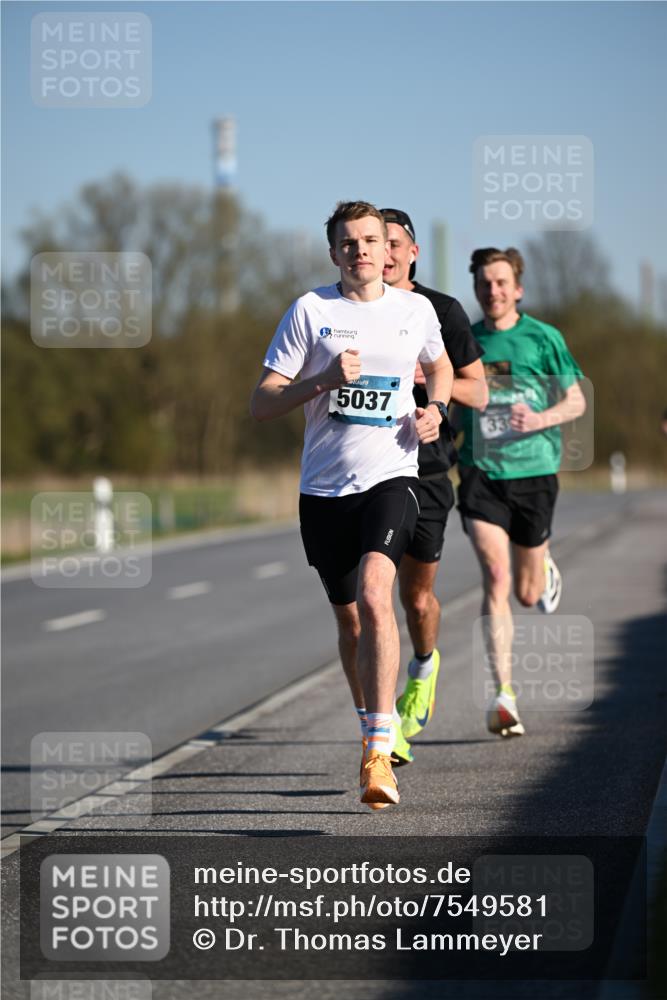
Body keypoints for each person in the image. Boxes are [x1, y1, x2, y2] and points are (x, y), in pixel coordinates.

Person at [250, 201, 453, 809]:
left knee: (375, 594)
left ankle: (377, 749)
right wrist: (323, 380)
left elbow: (438, 367)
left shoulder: (414, 311)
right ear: (334, 252)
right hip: (324, 492)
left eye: (371, 240)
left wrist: (436, 411)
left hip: (392, 477)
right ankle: (372, 720)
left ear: (387, 250)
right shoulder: (311, 311)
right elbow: (263, 404)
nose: (363, 250)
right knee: (350, 620)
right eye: (349, 242)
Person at [458, 247, 586, 737]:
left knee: (528, 592)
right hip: (481, 473)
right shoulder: (465, 340)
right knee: (495, 576)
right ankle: (504, 693)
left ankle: (543, 565)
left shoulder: (543, 338)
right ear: (477, 289)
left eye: (501, 282)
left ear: (518, 289)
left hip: (534, 473)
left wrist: (539, 419)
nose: (492, 290)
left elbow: (575, 399)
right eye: (485, 283)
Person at [380, 208, 488, 743]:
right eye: (380, 243)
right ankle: (383, 731)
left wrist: (433, 387)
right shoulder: (353, 311)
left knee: (415, 598)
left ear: (412, 252)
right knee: (368, 598)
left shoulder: (441, 311)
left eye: (396, 243)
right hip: (368, 473)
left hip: (425, 471)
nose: (388, 253)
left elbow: (480, 391)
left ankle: (423, 668)